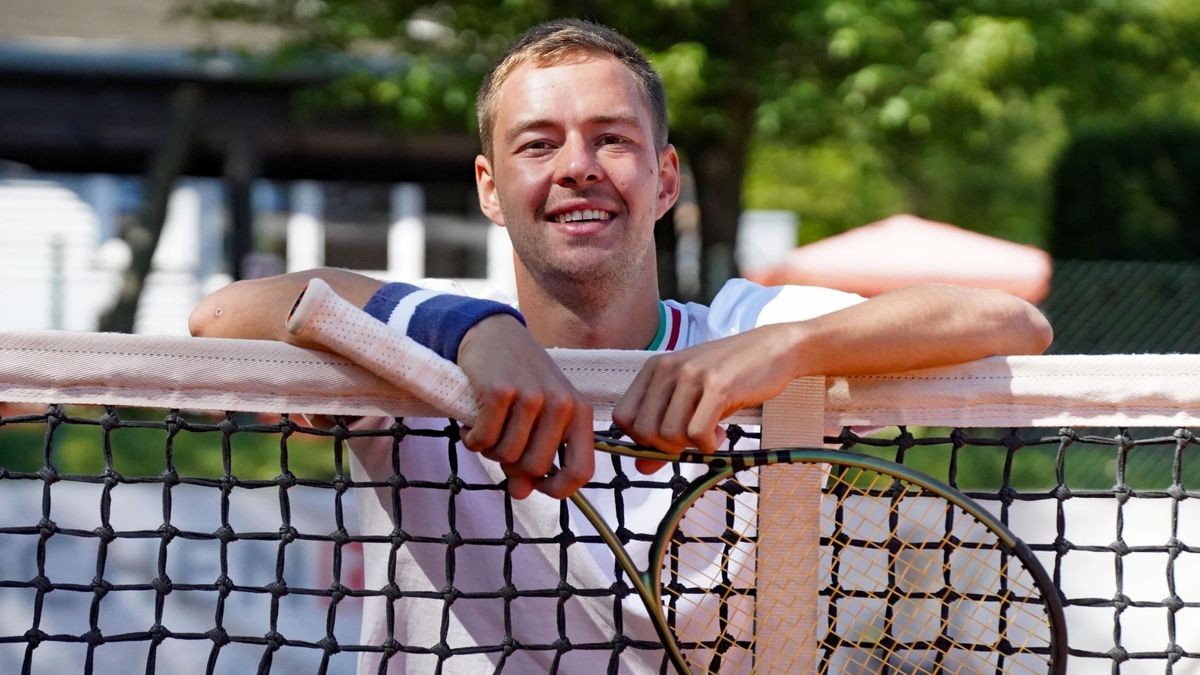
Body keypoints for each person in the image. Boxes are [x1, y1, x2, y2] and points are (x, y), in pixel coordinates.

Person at [190, 18, 1052, 673]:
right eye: (539, 144)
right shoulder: (422, 349)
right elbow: (224, 314)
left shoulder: (740, 328)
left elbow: (1014, 323)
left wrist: (788, 349)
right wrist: (469, 326)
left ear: (665, 177)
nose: (578, 166)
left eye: (611, 137)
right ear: (490, 188)